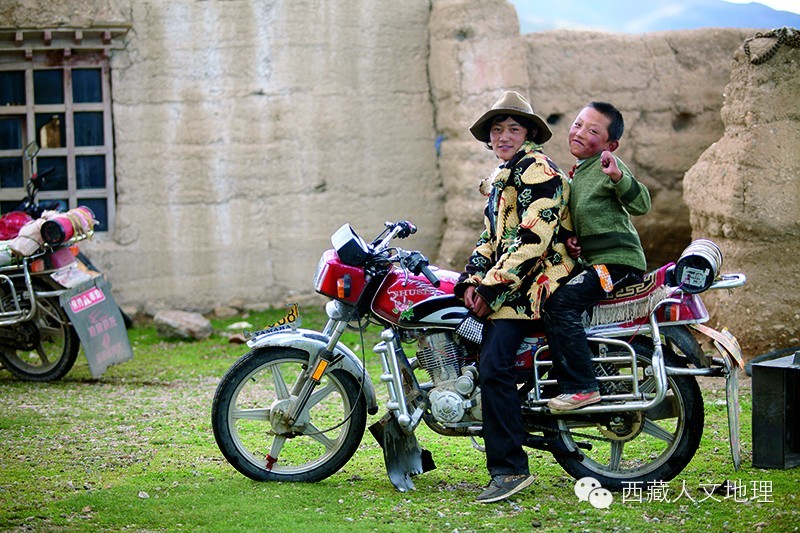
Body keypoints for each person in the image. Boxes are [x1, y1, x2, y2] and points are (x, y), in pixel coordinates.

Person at [454, 91, 575, 503]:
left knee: (494, 366)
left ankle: (509, 470)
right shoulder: (506, 173)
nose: (504, 135)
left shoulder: (537, 170)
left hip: (536, 284)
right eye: (497, 129)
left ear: (528, 134)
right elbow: (493, 238)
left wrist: (491, 287)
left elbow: (532, 241)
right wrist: (471, 278)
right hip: (513, 283)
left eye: (513, 128)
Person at [542, 101, 651, 411]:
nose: (579, 132)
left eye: (592, 130)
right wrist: (576, 243)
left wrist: (619, 177)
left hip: (618, 264)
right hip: (597, 263)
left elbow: (641, 204)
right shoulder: (579, 174)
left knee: (561, 304)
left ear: (610, 144)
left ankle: (581, 387)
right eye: (577, 124)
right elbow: (588, 219)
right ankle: (594, 373)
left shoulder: (607, 165)